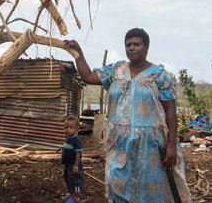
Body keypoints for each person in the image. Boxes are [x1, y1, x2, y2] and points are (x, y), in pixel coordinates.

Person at [64, 28, 191, 203]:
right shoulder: (116, 70)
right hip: (119, 141)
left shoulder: (159, 75)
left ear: (146, 47)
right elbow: (87, 77)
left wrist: (170, 144)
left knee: (150, 188)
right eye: (128, 45)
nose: (132, 48)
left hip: (150, 144)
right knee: (116, 181)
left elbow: (170, 110)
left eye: (136, 44)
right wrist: (78, 54)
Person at [61, 115, 84, 203]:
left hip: (73, 165)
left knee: (75, 181)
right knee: (68, 179)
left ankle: (76, 197)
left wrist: (76, 165)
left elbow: (78, 154)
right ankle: (71, 194)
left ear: (77, 129)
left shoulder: (76, 141)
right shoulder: (67, 139)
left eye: (71, 127)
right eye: (66, 127)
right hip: (67, 165)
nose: (68, 129)